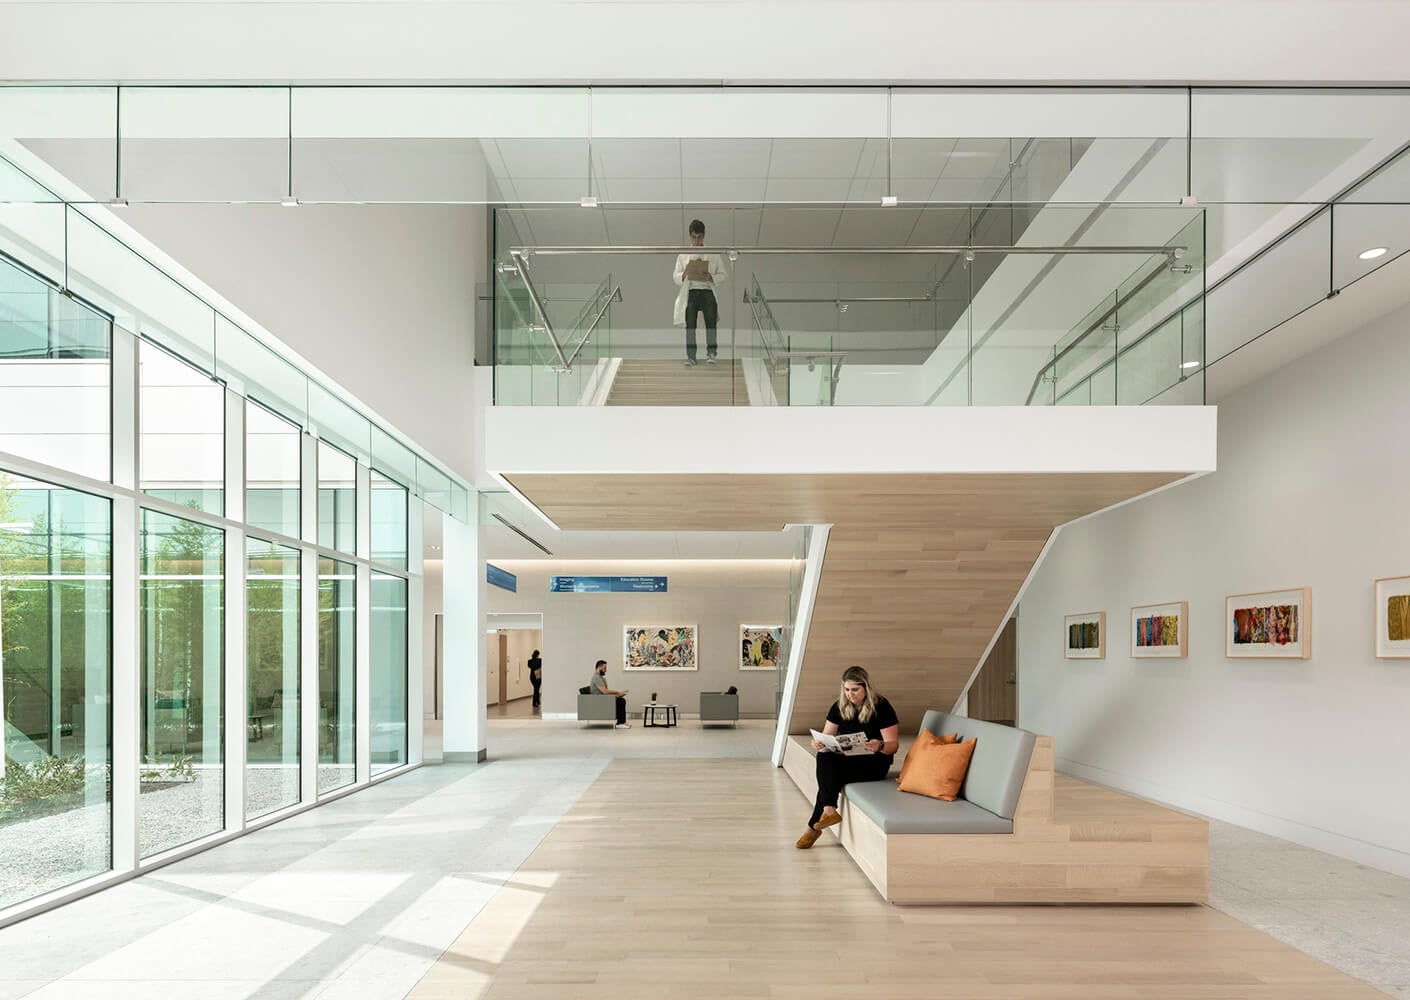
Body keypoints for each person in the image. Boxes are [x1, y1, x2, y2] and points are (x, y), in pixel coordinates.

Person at [796, 665, 899, 849]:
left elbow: (893, 746)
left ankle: (814, 826)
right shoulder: (839, 706)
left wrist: (880, 745)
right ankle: (828, 811)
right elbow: (827, 735)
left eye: (855, 690)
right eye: (847, 689)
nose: (850, 694)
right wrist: (818, 743)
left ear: (866, 687)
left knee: (830, 779)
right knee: (824, 756)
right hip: (848, 760)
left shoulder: (881, 706)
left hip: (874, 764)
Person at [672, 219, 727, 367]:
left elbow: (723, 274)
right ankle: (691, 356)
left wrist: (711, 277)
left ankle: (711, 353)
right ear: (690, 236)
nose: (697, 241)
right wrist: (684, 274)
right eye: (694, 237)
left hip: (707, 290)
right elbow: (675, 275)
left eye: (699, 237)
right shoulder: (683, 254)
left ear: (704, 236)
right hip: (691, 291)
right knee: (690, 323)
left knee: (711, 320)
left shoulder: (713, 254)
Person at [589, 658, 630, 729]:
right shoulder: (596, 678)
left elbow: (605, 692)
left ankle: (621, 722)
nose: (605, 670)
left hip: (603, 699)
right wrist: (618, 692)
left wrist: (617, 695)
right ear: (599, 667)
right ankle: (620, 723)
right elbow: (605, 691)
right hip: (599, 701)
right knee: (621, 701)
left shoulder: (600, 677)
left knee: (620, 699)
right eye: (604, 668)